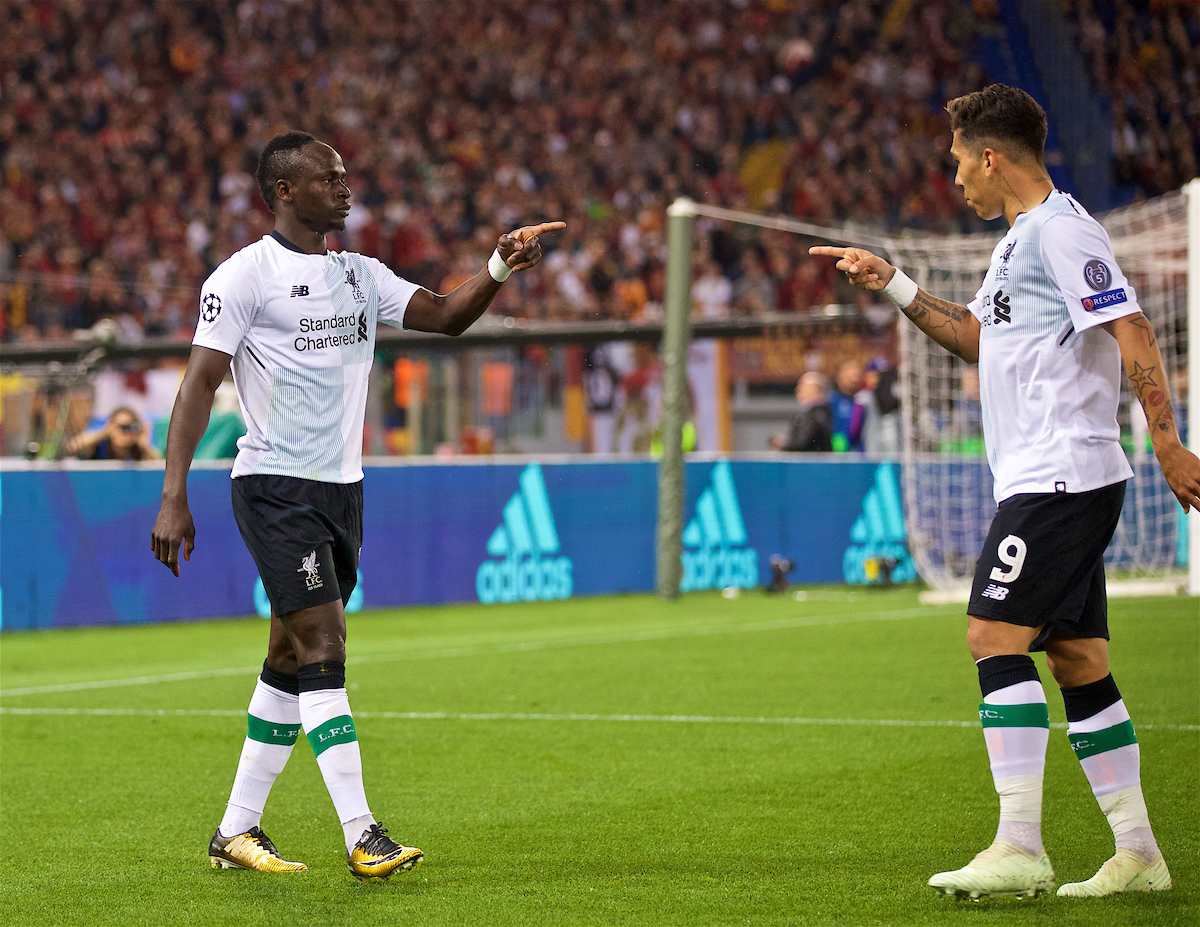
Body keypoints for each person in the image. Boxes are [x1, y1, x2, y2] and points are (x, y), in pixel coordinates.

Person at [811, 84, 1200, 900]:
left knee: (992, 632)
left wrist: (1167, 440)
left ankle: (1019, 841)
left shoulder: (1062, 231)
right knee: (1078, 656)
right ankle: (1138, 851)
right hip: (1057, 478)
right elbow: (979, 341)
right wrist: (893, 283)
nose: (954, 178)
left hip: (1059, 476)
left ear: (991, 157)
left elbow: (1130, 324)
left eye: (958, 161)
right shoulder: (1020, 241)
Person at [150, 130, 563, 879]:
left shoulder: (358, 273)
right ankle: (362, 831)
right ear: (284, 191)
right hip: (275, 485)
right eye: (328, 178)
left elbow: (442, 314)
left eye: (344, 176)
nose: (345, 188)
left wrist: (501, 265)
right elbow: (198, 383)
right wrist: (174, 492)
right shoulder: (243, 276)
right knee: (324, 645)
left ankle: (236, 830)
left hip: (342, 488)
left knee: (285, 655)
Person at [67, 406, 162, 461]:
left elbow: (159, 467)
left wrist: (144, 446)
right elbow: (72, 447)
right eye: (121, 427)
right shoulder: (100, 446)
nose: (125, 433)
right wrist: (103, 433)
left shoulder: (138, 450)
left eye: (129, 427)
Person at [773, 372, 833, 453]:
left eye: (802, 386)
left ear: (814, 388)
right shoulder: (824, 411)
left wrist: (783, 445)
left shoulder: (815, 414)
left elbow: (801, 444)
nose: (797, 390)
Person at [828, 358, 865, 452]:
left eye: (857, 373)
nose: (854, 377)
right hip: (838, 457)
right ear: (839, 377)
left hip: (862, 456)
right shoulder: (832, 401)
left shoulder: (866, 401)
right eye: (848, 371)